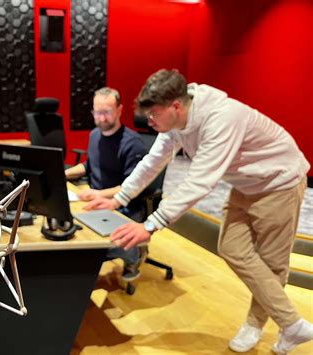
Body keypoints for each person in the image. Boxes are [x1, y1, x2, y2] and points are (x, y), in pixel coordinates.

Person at [84, 69, 312, 354]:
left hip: (280, 182)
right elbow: (154, 160)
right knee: (232, 248)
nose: (149, 121)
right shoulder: (177, 122)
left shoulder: (221, 119)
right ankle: (292, 324)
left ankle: (266, 325)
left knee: (273, 263)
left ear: (175, 106)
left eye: (153, 114)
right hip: (245, 184)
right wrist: (119, 198)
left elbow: (200, 181)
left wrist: (151, 224)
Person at [65, 87, 148, 281]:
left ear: (119, 110)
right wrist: (64, 173)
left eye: (107, 112)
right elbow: (90, 166)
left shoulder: (133, 143)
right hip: (97, 199)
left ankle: (134, 255)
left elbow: (133, 186)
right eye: (97, 112)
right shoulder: (95, 135)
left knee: (91, 243)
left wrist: (98, 194)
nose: (101, 118)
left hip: (125, 205)